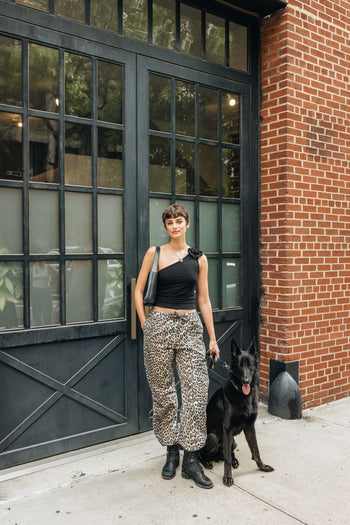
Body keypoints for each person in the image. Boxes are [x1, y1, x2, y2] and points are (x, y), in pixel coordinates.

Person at [134, 204, 220, 489]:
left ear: (188, 224)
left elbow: (204, 300)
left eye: (179, 221)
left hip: (190, 326)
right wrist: (146, 324)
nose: (174, 225)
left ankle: (192, 459)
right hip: (159, 323)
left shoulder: (200, 259)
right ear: (166, 226)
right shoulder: (154, 253)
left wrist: (212, 337)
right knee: (164, 393)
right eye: (169, 222)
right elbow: (138, 291)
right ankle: (171, 450)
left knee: (196, 391)